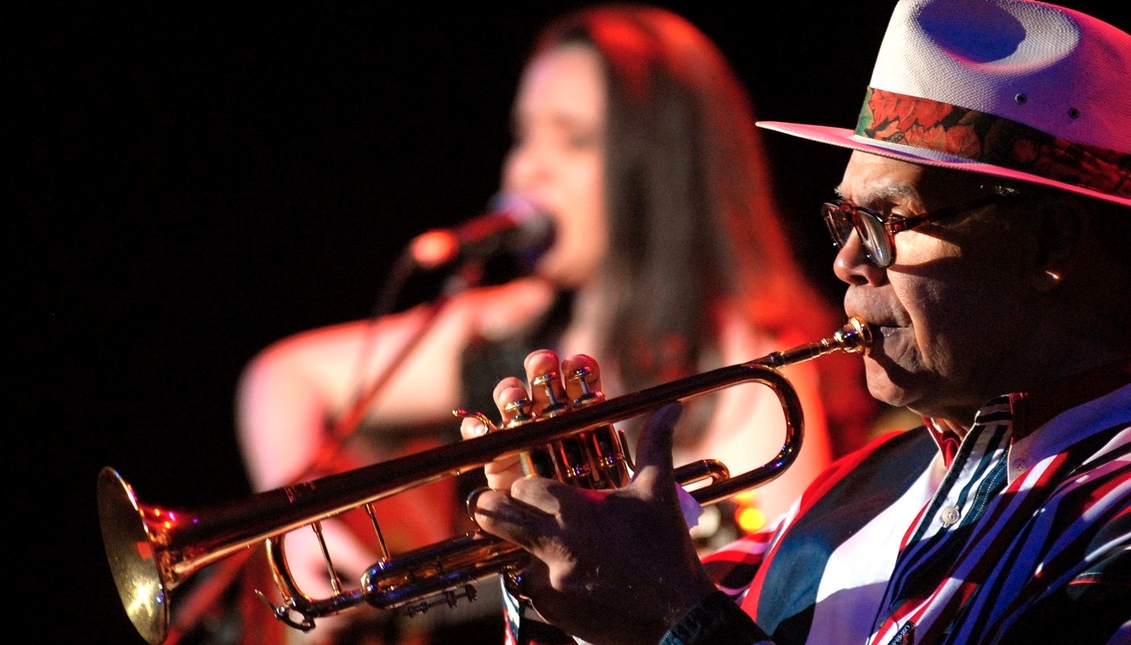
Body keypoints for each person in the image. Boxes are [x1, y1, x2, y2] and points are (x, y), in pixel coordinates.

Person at [466, 1, 1131, 644]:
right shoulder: (850, 494)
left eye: (888, 223)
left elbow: (679, 619)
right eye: (844, 221)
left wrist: (673, 617)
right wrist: (574, 572)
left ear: (1049, 243)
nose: (845, 261)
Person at [220, 6, 873, 645]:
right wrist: (312, 539)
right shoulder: (512, 316)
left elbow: (785, 611)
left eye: (572, 138)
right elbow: (280, 377)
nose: (526, 167)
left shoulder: (742, 363)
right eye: (524, 135)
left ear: (658, 170)